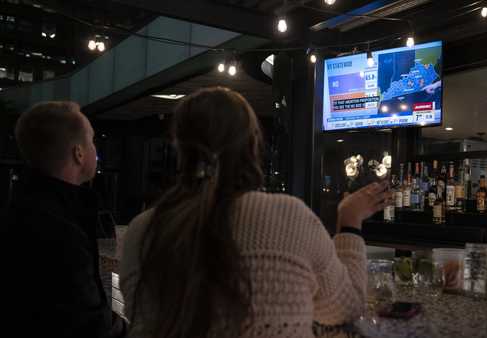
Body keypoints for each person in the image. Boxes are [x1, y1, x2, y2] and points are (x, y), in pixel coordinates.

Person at [119, 87, 392, 338]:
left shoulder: (141, 232)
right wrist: (350, 222)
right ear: (253, 146)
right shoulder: (289, 218)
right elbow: (346, 307)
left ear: (179, 149)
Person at [0, 101, 126, 337]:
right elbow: (90, 323)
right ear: (78, 153)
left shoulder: (20, 209)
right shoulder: (61, 233)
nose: (94, 150)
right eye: (91, 140)